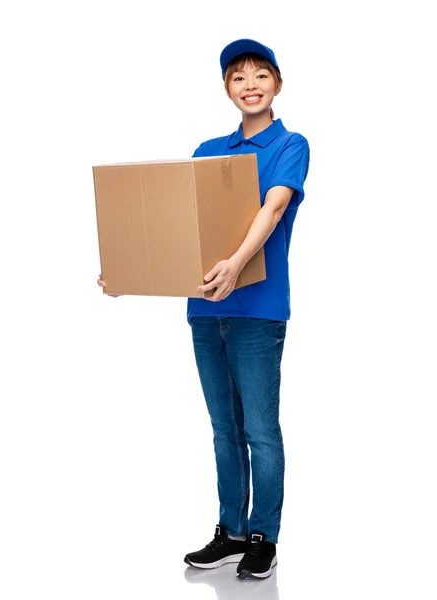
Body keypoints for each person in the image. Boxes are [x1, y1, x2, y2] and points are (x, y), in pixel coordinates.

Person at [98, 38, 310, 581]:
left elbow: (275, 206)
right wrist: (131, 272)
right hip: (204, 311)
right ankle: (231, 532)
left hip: (259, 309)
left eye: (261, 75)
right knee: (223, 429)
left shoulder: (291, 145)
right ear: (226, 89)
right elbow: (177, 230)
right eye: (238, 77)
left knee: (260, 429)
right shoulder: (208, 150)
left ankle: (264, 535)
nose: (251, 85)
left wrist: (238, 263)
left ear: (277, 84)